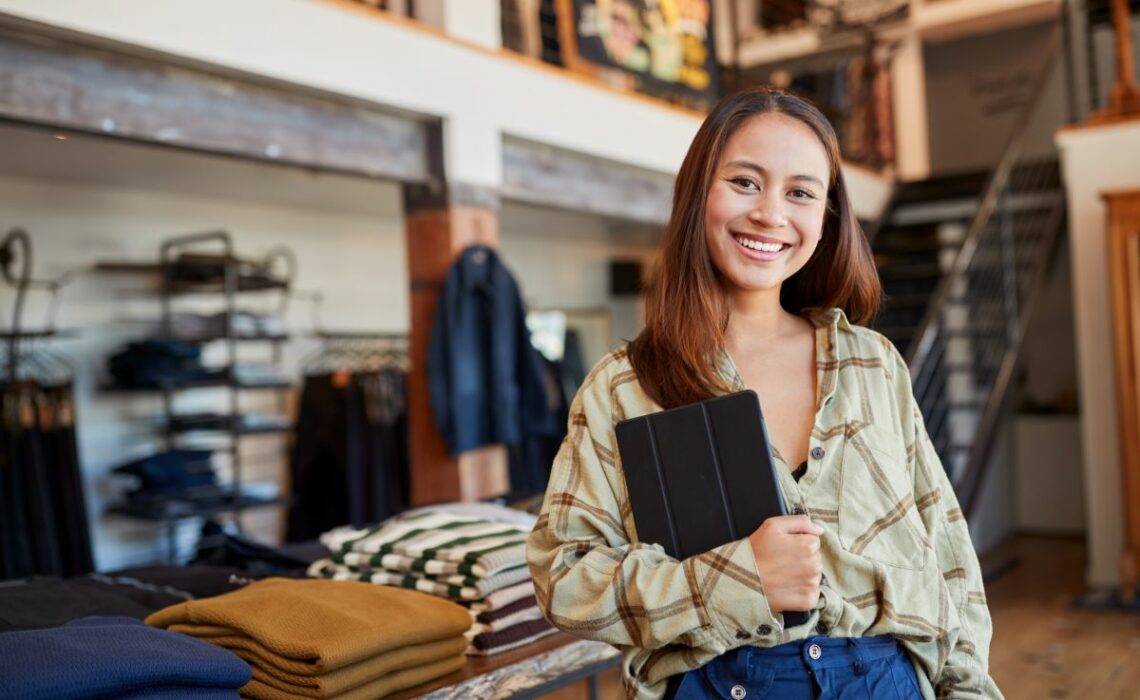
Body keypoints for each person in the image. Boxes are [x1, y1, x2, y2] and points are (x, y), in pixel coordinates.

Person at [526, 86, 1002, 700]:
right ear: (698, 193)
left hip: (887, 679)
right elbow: (563, 577)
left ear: (827, 218)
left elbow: (948, 555)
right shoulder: (624, 386)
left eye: (801, 192)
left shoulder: (872, 364)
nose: (771, 214)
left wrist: (971, 689)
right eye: (745, 182)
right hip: (720, 684)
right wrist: (736, 578)